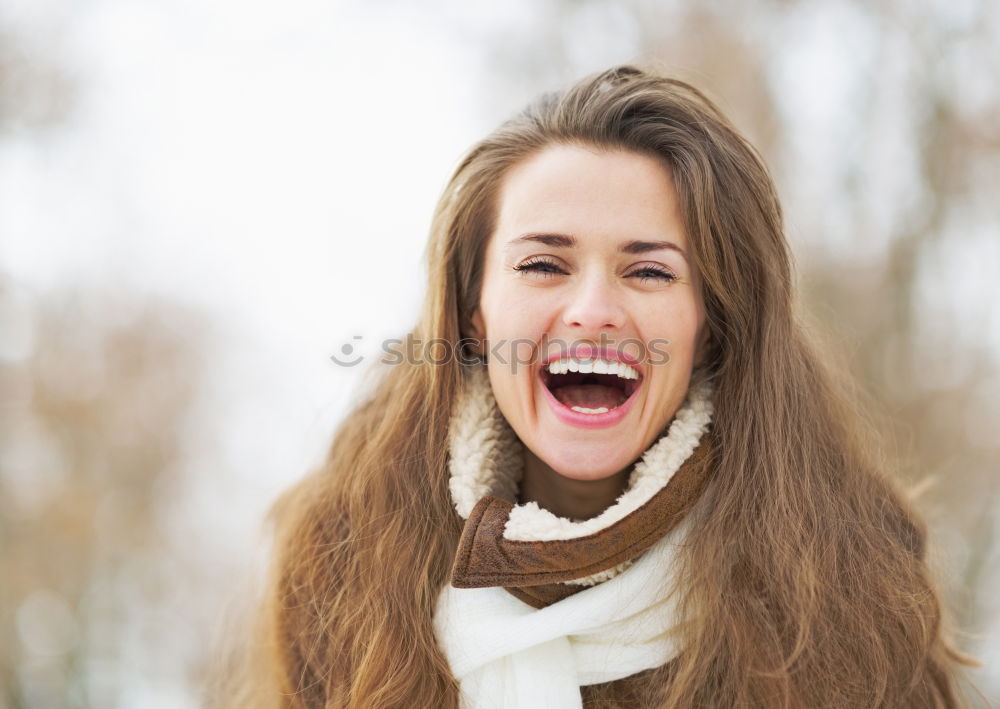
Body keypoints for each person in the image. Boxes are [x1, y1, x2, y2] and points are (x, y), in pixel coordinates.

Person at [237, 65, 974, 707]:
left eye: (649, 270)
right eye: (543, 265)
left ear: (709, 325)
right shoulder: (346, 552)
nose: (593, 310)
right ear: (473, 311)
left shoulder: (842, 578)